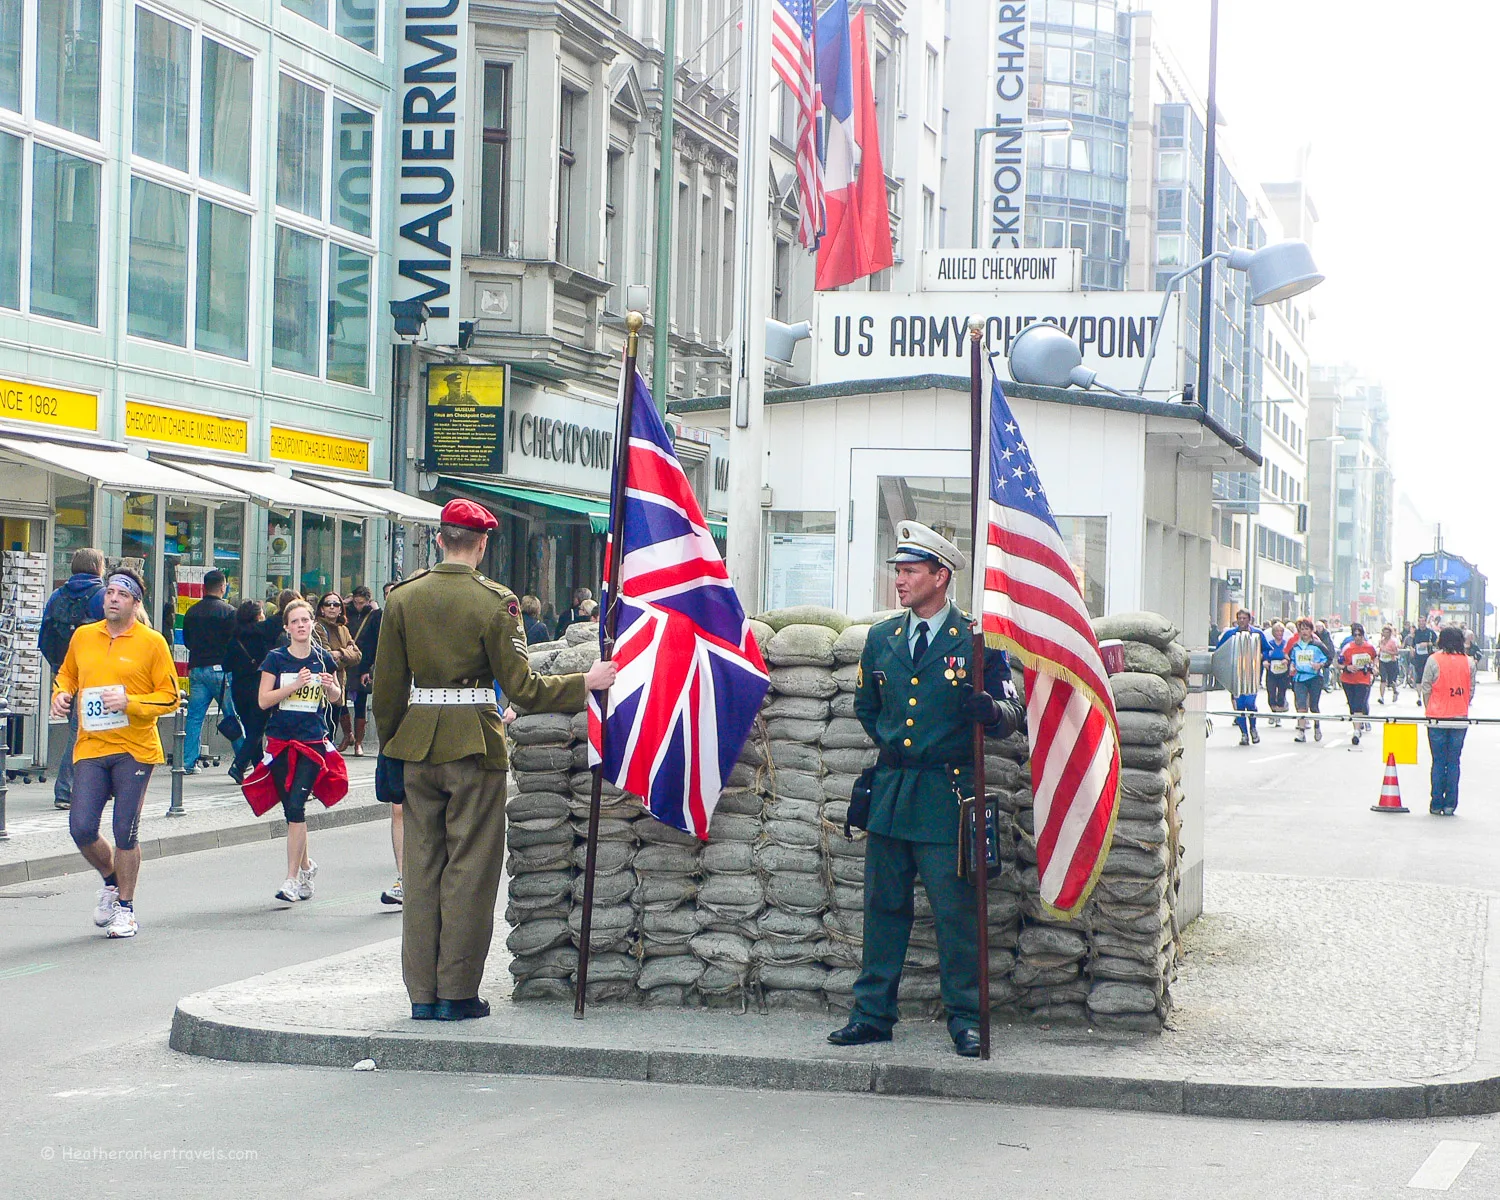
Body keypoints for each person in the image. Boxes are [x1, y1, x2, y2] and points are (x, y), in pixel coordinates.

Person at [372, 499, 618, 1022]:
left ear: (440, 539)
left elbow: (387, 691)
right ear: (481, 544)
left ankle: (421, 994)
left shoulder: (402, 599)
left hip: (416, 746)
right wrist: (585, 683)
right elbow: (524, 688)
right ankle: (455, 992)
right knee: (470, 871)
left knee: (421, 873)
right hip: (474, 747)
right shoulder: (496, 603)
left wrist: (393, 746)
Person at [827, 521, 1025, 1060]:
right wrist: (899, 747)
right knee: (882, 906)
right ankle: (872, 1015)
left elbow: (1013, 714)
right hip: (893, 789)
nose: (900, 580)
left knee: (956, 912)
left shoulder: (976, 641)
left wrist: (990, 714)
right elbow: (867, 707)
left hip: (949, 794)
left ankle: (965, 1018)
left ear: (942, 576)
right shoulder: (882, 638)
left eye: (910, 571)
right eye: (898, 570)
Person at [49, 569, 178, 938]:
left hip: (134, 749)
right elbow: (68, 676)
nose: (113, 598)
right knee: (82, 827)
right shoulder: (84, 636)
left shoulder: (152, 643)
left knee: (125, 829)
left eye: (123, 594)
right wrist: (61, 694)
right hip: (91, 745)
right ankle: (110, 879)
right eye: (110, 592)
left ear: (136, 603)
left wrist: (130, 702)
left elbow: (168, 697)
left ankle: (126, 907)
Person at [255, 598, 345, 902]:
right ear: (287, 627)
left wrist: (330, 687)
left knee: (297, 805)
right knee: (290, 809)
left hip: (311, 741)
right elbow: (264, 700)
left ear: (313, 624)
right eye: (295, 621)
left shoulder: (323, 658)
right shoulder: (276, 659)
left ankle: (291, 879)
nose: (301, 626)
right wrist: (292, 686)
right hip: (280, 739)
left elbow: (336, 698)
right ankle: (306, 867)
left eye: (305, 620)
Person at [39, 548, 107, 811]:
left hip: (63, 672)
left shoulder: (57, 595)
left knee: (83, 729)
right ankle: (65, 790)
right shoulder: (102, 595)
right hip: (93, 673)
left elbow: (45, 637)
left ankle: (98, 785)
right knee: (82, 731)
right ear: (98, 568)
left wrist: (59, 667)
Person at [180, 569, 241, 775]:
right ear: (223, 586)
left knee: (194, 717)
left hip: (197, 668)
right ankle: (242, 760)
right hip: (221, 671)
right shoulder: (229, 612)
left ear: (204, 587)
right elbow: (235, 643)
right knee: (232, 715)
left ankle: (187, 763)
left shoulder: (192, 612)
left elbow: (187, 641)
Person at [1421, 625, 1476, 815]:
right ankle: (1450, 804)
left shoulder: (1433, 660)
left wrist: (1429, 707)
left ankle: (1436, 803)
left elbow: (1426, 687)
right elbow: (1471, 691)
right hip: (1459, 717)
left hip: (1436, 717)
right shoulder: (1469, 662)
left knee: (1438, 761)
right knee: (1454, 761)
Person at [225, 601, 274, 783]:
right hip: (259, 687)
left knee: (250, 728)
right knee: (257, 730)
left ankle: (260, 769)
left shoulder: (234, 637)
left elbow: (226, 664)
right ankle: (239, 765)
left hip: (239, 689)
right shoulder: (262, 636)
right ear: (257, 616)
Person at [1215, 610, 1274, 746]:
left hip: (1252, 676)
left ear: (1250, 619)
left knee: (1250, 703)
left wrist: (1262, 656)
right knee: (1240, 706)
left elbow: (1267, 650)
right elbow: (1220, 650)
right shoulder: (1230, 634)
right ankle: (1244, 734)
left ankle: (1253, 727)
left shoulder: (1257, 634)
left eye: (1244, 618)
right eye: (1239, 618)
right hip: (1236, 676)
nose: (1242, 621)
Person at [313, 592, 362, 747]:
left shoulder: (344, 630)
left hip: (339, 686)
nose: (332, 608)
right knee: (324, 734)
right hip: (322, 687)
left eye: (336, 604)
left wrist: (339, 653)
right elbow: (326, 658)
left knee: (332, 731)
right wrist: (346, 653)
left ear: (341, 609)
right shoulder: (317, 628)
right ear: (321, 609)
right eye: (328, 604)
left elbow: (358, 656)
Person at [346, 585, 383, 756]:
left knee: (360, 702)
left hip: (363, 662)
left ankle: (358, 742)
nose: (358, 605)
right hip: (346, 660)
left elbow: (376, 640)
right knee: (340, 701)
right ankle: (348, 735)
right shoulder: (347, 612)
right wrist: (344, 602)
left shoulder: (374, 615)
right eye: (355, 602)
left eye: (361, 602)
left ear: (368, 601)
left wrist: (368, 667)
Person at [1285, 617, 1330, 743]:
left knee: (1313, 706)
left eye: (1306, 629)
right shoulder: (1296, 646)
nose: (1304, 632)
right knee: (1301, 705)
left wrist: (1320, 665)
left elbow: (1328, 658)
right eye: (1302, 629)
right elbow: (1291, 658)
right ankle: (1301, 731)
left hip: (1315, 678)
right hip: (1300, 678)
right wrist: (1292, 666)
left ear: (1311, 631)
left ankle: (1317, 727)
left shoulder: (1317, 645)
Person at [1338, 623, 1376, 748]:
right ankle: (1357, 725)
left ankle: (1356, 731)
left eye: (1360, 635)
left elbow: (1375, 658)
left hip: (1363, 679)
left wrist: (1374, 667)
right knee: (1352, 705)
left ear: (1363, 635)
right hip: (1348, 680)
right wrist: (1347, 667)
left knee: (1359, 704)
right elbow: (1338, 663)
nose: (1358, 637)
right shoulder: (1347, 648)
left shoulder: (1369, 647)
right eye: (1355, 635)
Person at [1264, 621, 1291, 727]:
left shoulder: (1286, 644)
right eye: (1277, 631)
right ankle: (1273, 711)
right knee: (1271, 693)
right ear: (1273, 633)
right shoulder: (1270, 643)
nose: (1279, 633)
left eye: (1281, 631)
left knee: (1281, 693)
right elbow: (1265, 655)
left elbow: (1290, 656)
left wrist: (1286, 660)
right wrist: (1265, 661)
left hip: (1283, 673)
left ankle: (1278, 714)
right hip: (1272, 671)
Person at [1411, 620, 1438, 705]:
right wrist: (1412, 649)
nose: (1421, 624)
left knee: (1428, 678)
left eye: (1423, 622)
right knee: (1418, 677)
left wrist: (1427, 644)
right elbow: (1413, 644)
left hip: (1428, 657)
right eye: (1420, 622)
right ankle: (1419, 697)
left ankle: (1427, 696)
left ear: (1425, 622)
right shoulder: (1416, 632)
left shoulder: (1430, 632)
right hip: (1418, 657)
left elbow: (1436, 643)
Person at [1376, 624, 1402, 704]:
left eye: (1387, 632)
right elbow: (1380, 650)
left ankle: (1395, 691)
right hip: (1382, 661)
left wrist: (1389, 652)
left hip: (1391, 662)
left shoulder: (1393, 642)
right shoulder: (1381, 641)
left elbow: (1397, 652)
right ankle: (1381, 697)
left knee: (1391, 681)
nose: (1385, 634)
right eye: (1384, 632)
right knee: (1383, 679)